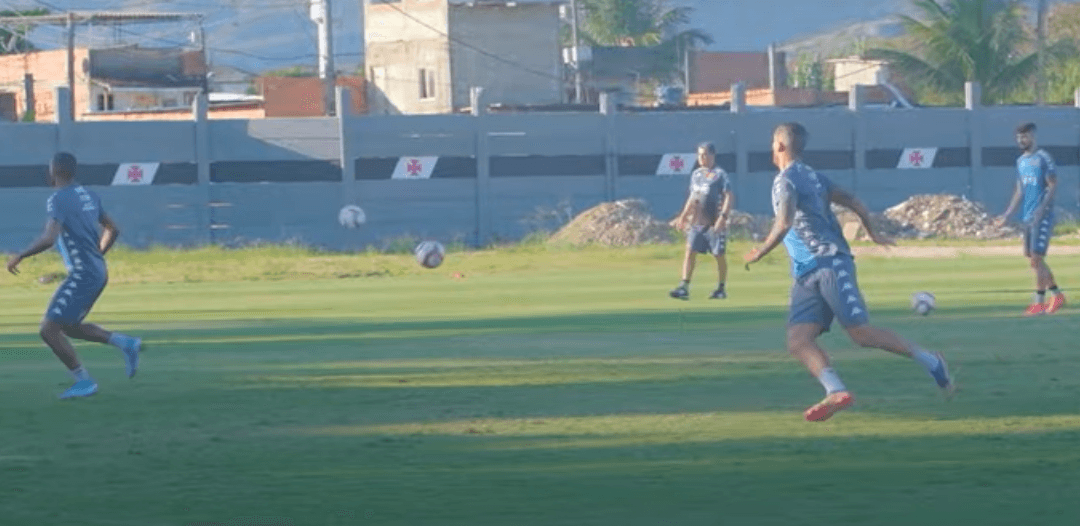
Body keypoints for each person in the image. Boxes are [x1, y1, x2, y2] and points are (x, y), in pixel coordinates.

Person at [743, 123, 953, 422]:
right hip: (805, 273)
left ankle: (932, 361)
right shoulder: (814, 176)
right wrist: (873, 232)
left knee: (861, 334)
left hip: (829, 263)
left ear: (779, 145)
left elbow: (785, 220)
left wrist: (760, 250)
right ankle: (836, 391)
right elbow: (854, 202)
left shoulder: (785, 181)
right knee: (798, 340)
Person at [6, 152, 143, 399]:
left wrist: (20, 255)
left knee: (48, 329)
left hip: (83, 274)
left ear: (54, 171)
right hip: (97, 270)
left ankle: (84, 382)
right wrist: (98, 254)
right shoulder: (89, 195)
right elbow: (113, 228)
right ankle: (125, 343)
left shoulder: (58, 199)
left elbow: (49, 238)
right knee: (68, 326)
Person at [994, 122, 1066, 316]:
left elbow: (1052, 185)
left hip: (1041, 216)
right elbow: (1020, 190)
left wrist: (1042, 210)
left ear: (1033, 136)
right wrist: (1008, 215)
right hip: (1027, 217)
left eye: (1024, 136)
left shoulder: (1043, 158)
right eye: (1018, 137)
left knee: (1036, 258)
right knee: (1034, 261)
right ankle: (1057, 295)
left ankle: (1039, 303)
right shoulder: (1021, 161)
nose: (1021, 140)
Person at [670, 142, 734, 300]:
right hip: (697, 221)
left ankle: (721, 288)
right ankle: (684, 286)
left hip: (713, 221)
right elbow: (693, 197)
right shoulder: (697, 174)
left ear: (712, 155)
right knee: (690, 250)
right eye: (699, 154)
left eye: (705, 154)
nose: (701, 158)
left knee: (718, 254)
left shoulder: (720, 174)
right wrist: (684, 216)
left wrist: (723, 217)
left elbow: (729, 195)